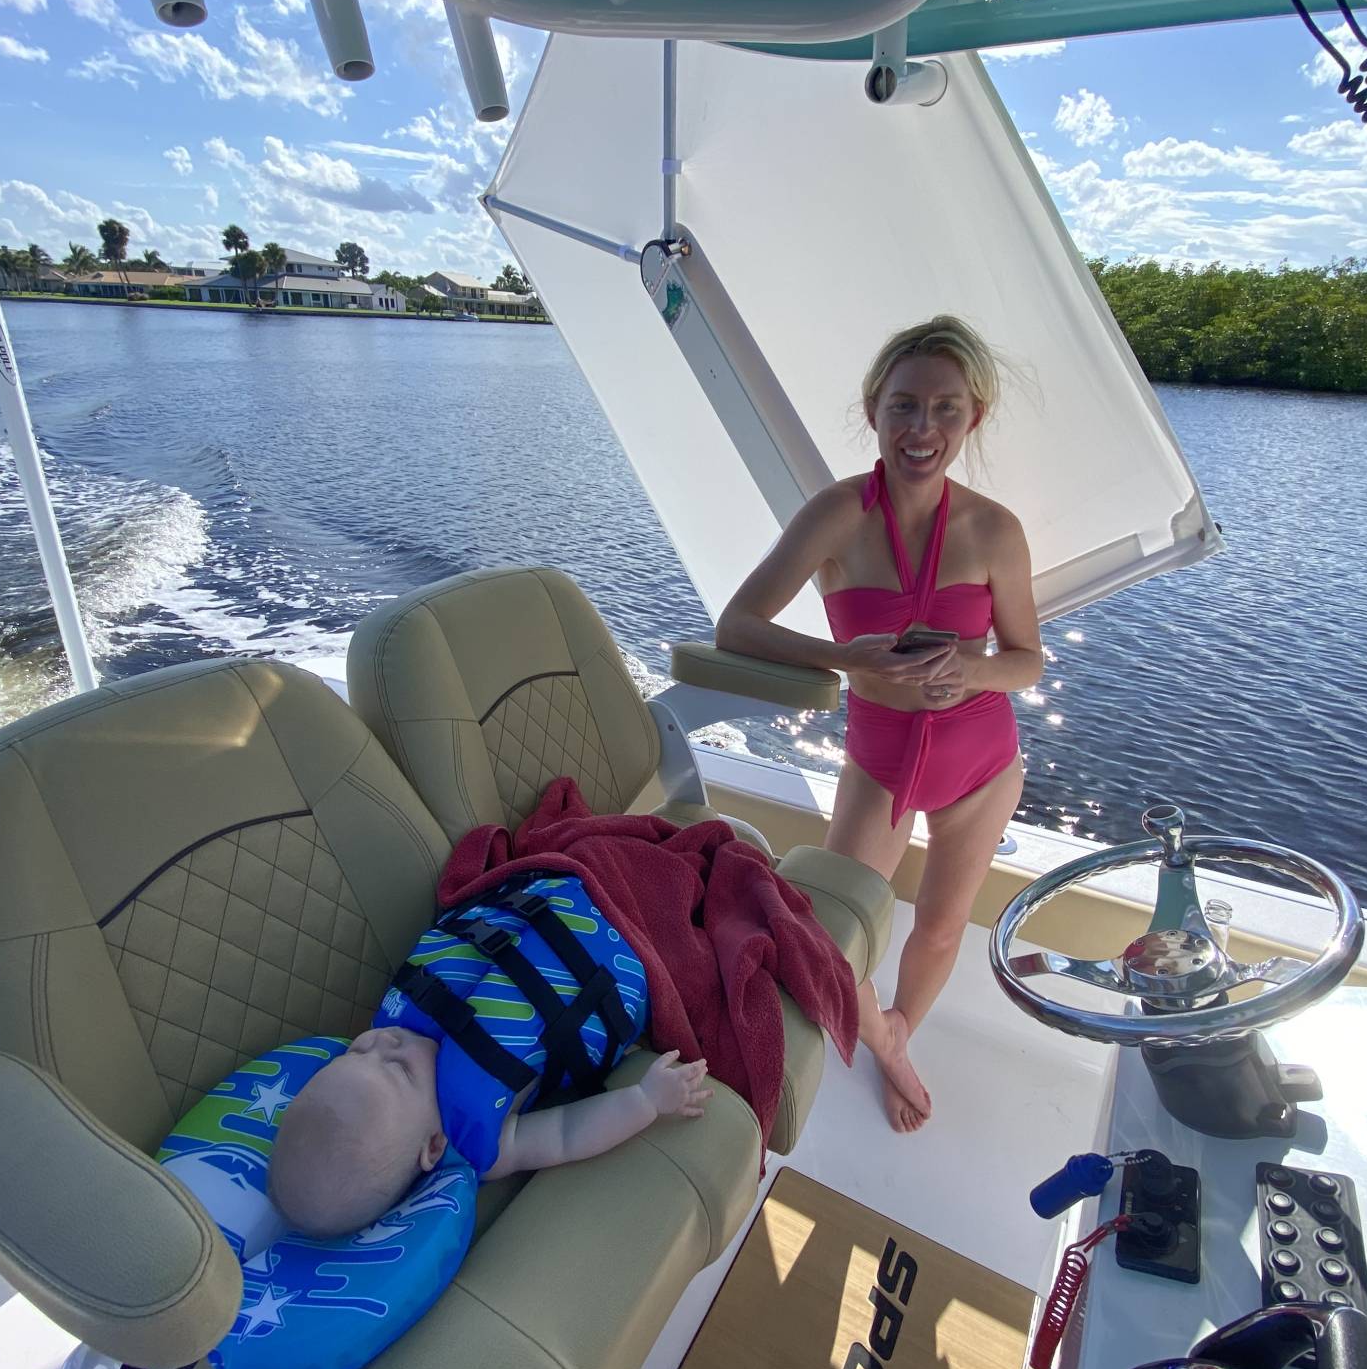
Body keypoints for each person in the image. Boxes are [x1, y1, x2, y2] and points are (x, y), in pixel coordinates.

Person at [716, 315, 1043, 1135]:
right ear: (874, 412)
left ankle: (899, 1032)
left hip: (981, 763)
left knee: (938, 925)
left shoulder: (994, 530)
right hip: (883, 763)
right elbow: (738, 624)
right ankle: (880, 1035)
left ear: (973, 419)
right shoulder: (836, 517)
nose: (921, 429)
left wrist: (973, 667)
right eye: (903, 406)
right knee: (834, 935)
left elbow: (1028, 659)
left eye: (944, 409)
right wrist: (846, 657)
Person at [269, 1025, 711, 1239]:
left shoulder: (407, 1062)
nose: (383, 1040)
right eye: (399, 1068)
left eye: (356, 1050)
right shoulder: (486, 1148)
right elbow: (566, 1132)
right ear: (434, 1147)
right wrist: (648, 1100)